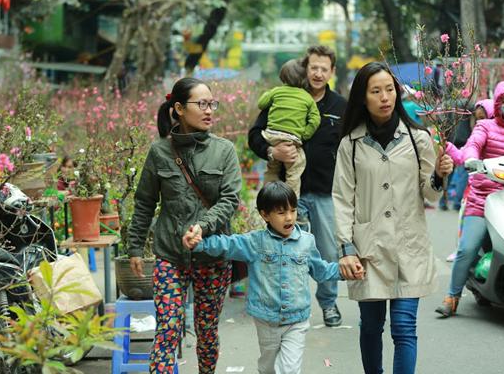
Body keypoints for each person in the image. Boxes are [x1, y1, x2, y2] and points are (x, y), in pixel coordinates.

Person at [332, 62, 453, 374]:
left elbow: (430, 193)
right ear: (363, 98)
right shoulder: (351, 144)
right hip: (368, 250)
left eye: (389, 89)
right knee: (371, 327)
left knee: (404, 328)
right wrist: (346, 249)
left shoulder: (418, 138)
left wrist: (439, 175)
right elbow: (342, 198)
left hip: (408, 247)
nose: (385, 97)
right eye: (376, 91)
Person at [127, 77, 242, 373]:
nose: (209, 110)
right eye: (201, 104)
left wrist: (203, 227)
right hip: (170, 254)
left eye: (211, 104)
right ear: (178, 108)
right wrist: (135, 247)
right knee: (167, 329)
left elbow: (230, 200)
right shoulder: (160, 152)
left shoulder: (224, 150)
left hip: (212, 255)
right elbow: (144, 201)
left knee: (206, 333)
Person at [182, 181, 348, 374]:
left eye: (293, 210)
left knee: (288, 369)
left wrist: (344, 271)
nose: (289, 217)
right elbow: (227, 244)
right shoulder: (255, 242)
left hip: (297, 319)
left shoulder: (306, 242)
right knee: (268, 367)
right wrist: (200, 244)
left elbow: (321, 270)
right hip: (266, 319)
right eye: (281, 212)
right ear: (265, 215)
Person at [248, 45, 347, 327]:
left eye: (323, 69)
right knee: (283, 252)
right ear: (305, 69)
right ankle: (284, 306)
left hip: (325, 192)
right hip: (285, 195)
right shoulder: (282, 98)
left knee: (327, 251)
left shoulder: (341, 106)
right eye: (313, 67)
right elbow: (254, 136)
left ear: (332, 72)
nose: (317, 73)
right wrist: (272, 153)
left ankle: (328, 303)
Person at [436, 81, 504, 317]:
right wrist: (473, 159)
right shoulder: (484, 127)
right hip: (483, 199)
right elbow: (473, 146)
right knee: (467, 249)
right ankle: (452, 296)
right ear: (497, 104)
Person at [257, 59, 320, 197]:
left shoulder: (277, 91)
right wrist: (305, 134)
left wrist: (269, 94)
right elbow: (315, 120)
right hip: (292, 138)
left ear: (283, 76)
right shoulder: (307, 98)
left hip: (271, 136)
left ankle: (267, 198)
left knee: (272, 169)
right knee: (295, 170)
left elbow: (261, 104)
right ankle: (290, 200)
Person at [445, 98, 494, 262]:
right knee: (464, 221)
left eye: (485, 118)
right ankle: (461, 249)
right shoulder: (475, 138)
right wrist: (447, 146)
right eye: (478, 118)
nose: (480, 122)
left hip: (499, 194)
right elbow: (461, 157)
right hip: (475, 194)